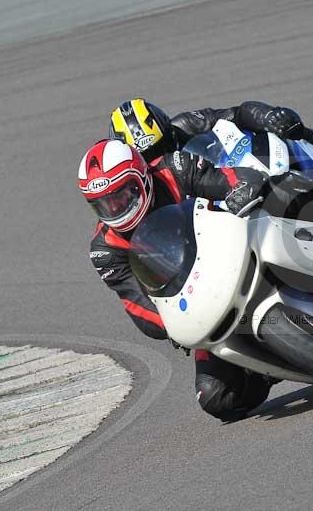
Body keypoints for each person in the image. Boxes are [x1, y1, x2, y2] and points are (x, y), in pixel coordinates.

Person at [79, 137, 271, 421]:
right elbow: (138, 305)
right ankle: (268, 369)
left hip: (243, 248)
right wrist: (173, 324)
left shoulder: (173, 169)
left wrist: (240, 190)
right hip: (202, 301)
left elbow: (227, 177)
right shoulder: (106, 250)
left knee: (278, 197)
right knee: (215, 396)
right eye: (104, 204)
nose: (116, 207)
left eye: (121, 194)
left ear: (141, 177)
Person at [109, 98, 313, 177]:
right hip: (204, 210)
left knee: (284, 127)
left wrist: (268, 116)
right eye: (150, 156)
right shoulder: (137, 186)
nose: (160, 156)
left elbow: (238, 113)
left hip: (234, 170)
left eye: (163, 146)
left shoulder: (185, 124)